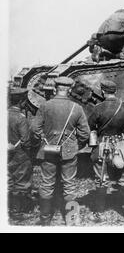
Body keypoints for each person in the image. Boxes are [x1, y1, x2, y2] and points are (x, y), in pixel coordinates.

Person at [32, 77, 90, 225]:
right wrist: (75, 145)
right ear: (70, 90)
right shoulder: (76, 108)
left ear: (54, 89)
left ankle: (45, 220)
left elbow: (35, 129)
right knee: (69, 184)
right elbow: (85, 134)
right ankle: (71, 220)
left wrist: (45, 140)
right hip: (69, 151)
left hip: (49, 149)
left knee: (46, 183)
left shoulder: (45, 106)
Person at [88, 80, 124, 222]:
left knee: (101, 179)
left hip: (102, 146)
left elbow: (91, 126)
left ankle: (99, 213)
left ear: (102, 91)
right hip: (121, 145)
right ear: (115, 91)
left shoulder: (98, 108)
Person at [8, 87, 34, 217]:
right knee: (22, 182)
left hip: (6, 154)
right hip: (20, 155)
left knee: (8, 180)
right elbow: (26, 141)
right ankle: (20, 209)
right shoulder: (21, 118)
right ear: (22, 102)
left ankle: (10, 207)